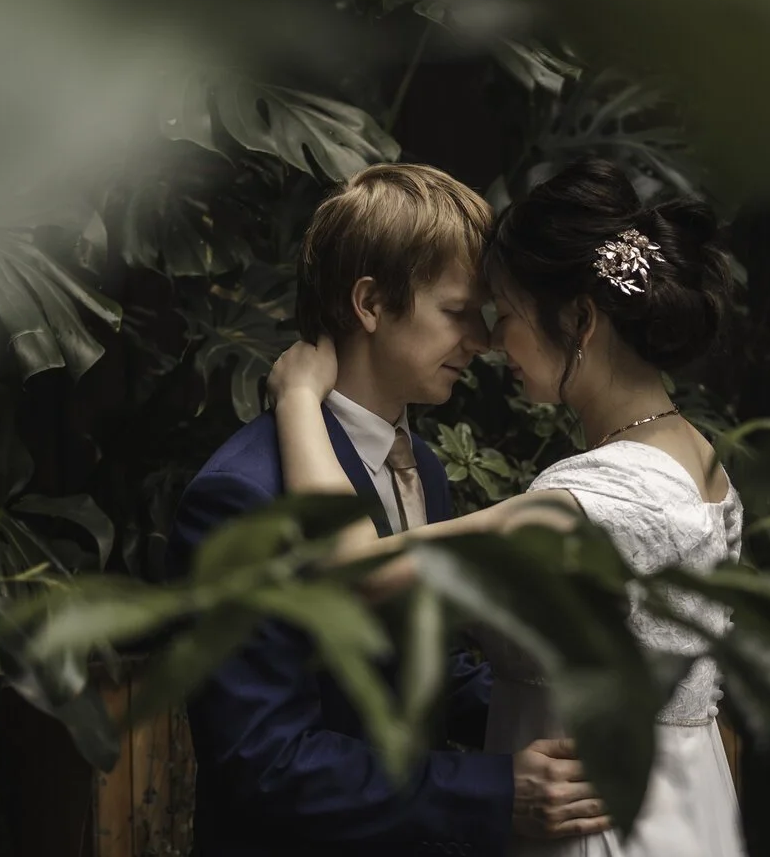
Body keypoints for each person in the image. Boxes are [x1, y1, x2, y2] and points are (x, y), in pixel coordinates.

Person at [269, 159, 747, 856]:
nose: (491, 343)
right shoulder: (698, 462)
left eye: (507, 316)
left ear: (580, 321)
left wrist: (296, 400)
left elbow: (353, 570)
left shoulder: (590, 503)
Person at [166, 163, 610, 857]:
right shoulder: (243, 496)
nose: (483, 341)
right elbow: (264, 761)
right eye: (457, 311)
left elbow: (417, 665)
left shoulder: (421, 465)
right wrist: (497, 791)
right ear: (370, 303)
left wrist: (557, 715)